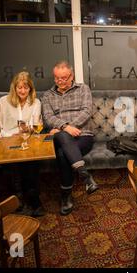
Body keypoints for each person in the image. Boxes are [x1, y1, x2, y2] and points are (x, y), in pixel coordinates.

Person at [42, 61, 99, 216]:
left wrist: (67, 127)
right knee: (61, 135)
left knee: (62, 154)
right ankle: (85, 176)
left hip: (83, 136)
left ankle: (66, 196)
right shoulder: (48, 95)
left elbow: (87, 111)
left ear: (71, 76)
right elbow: (47, 118)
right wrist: (65, 128)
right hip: (60, 137)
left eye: (64, 78)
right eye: (57, 78)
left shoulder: (83, 89)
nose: (60, 81)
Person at [0, 71, 45, 216]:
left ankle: (34, 199)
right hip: (7, 140)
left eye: (26, 87)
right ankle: (18, 200)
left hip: (27, 140)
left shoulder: (36, 102)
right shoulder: (3, 101)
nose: (22, 91)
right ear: (14, 88)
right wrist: (9, 135)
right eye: (19, 87)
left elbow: (36, 126)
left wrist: (29, 130)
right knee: (14, 165)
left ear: (30, 89)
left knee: (32, 163)